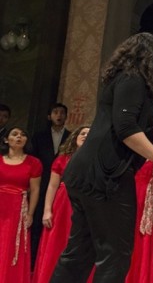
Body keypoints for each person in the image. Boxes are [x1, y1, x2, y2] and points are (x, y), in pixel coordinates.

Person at [50, 32, 153, 283]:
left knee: (80, 253)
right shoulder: (132, 80)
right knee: (115, 256)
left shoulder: (142, 87)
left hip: (90, 174)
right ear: (147, 55)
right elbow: (126, 128)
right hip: (105, 175)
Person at [32, 126, 92, 283]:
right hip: (63, 204)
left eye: (89, 134)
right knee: (57, 242)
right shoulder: (62, 159)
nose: (86, 136)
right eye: (83, 133)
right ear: (75, 137)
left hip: (86, 203)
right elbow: (52, 186)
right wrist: (47, 210)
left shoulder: (97, 159)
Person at [0, 126, 42, 282]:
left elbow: (35, 190)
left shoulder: (33, 162)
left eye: (23, 135)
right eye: (15, 134)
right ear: (6, 139)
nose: (19, 137)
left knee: (11, 246)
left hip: (18, 208)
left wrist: (30, 214)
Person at [31, 102, 71, 264]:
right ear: (49, 116)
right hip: (40, 184)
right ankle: (35, 259)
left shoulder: (70, 137)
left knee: (56, 224)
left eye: (62, 113)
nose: (59, 115)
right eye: (55, 112)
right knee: (37, 221)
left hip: (60, 186)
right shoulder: (39, 137)